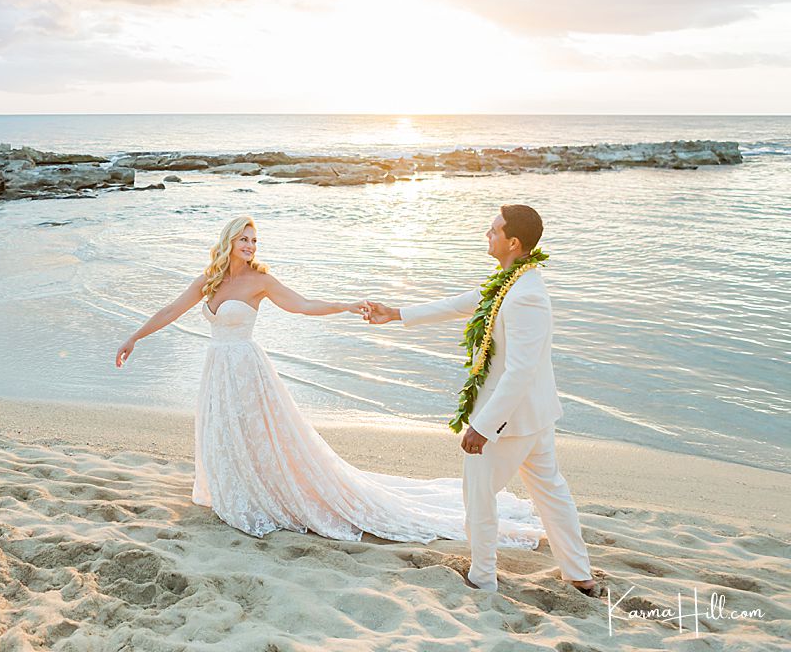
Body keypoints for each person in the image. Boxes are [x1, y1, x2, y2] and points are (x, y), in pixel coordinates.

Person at [116, 215, 544, 548]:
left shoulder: (261, 281)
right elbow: (171, 310)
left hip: (247, 369)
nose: (249, 246)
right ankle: (234, 490)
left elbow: (302, 306)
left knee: (261, 434)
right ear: (228, 241)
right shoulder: (207, 281)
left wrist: (345, 305)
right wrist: (135, 336)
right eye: (243, 239)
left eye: (254, 240)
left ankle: (266, 493)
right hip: (216, 368)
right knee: (222, 431)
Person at [363, 204, 596, 594]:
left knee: (480, 497)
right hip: (532, 417)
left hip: (512, 421)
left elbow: (520, 371)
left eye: (493, 230)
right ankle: (579, 574)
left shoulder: (525, 296)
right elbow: (457, 305)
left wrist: (484, 426)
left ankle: (482, 577)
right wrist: (396, 314)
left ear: (513, 242)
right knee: (552, 495)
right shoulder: (508, 281)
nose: (487, 235)